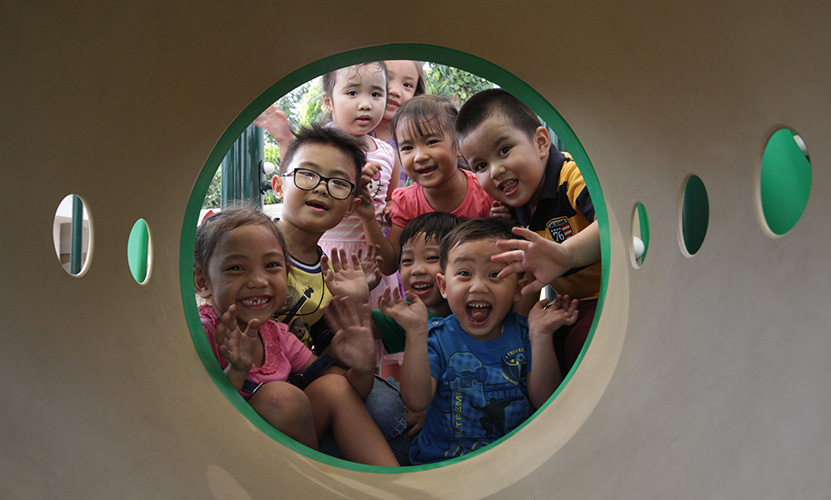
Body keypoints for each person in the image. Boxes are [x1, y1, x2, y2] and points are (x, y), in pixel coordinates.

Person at [193, 207, 398, 467]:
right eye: (236, 268)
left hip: (281, 452)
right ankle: (316, 481)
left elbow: (350, 391)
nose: (258, 280)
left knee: (334, 385)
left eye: (271, 265)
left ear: (287, 273)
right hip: (229, 456)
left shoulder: (274, 333)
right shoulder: (202, 332)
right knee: (281, 398)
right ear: (203, 282)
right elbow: (199, 417)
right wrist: (237, 370)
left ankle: (392, 480)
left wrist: (363, 367)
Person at [380, 218, 579, 465]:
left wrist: (541, 336)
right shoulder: (435, 337)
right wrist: (415, 333)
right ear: (444, 285)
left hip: (515, 460)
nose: (478, 286)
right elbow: (416, 400)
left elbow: (546, 401)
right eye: (464, 273)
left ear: (519, 288)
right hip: (444, 461)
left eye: (495, 274)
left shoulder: (527, 333)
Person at [270, 125, 412, 464]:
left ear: (351, 206)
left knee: (389, 407)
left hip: (304, 397)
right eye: (307, 174)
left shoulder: (326, 277)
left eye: (338, 182)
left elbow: (341, 380)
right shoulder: (250, 250)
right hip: (254, 396)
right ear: (278, 185)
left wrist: (357, 305)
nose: (321, 187)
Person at [456, 88, 602, 374]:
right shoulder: (518, 207)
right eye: (481, 165)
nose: (495, 171)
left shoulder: (572, 176)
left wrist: (567, 255)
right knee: (538, 349)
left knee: (580, 345)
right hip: (571, 303)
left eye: (504, 150)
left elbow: (614, 228)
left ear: (541, 143)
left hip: (609, 295)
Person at [363, 95, 495, 275]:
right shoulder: (407, 203)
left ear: (458, 146)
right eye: (407, 148)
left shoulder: (486, 191)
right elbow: (390, 264)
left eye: (431, 142)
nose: (419, 156)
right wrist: (368, 218)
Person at [317, 61, 400, 310]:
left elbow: (391, 198)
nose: (365, 104)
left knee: (376, 322)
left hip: (373, 257)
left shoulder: (388, 153)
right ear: (328, 102)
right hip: (331, 257)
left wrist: (389, 207)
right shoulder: (320, 148)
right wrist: (351, 183)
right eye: (353, 92)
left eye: (376, 94)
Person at [370, 60, 427, 190]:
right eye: (387, 78)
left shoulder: (411, 143)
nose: (395, 91)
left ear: (415, 95)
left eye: (407, 85)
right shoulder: (339, 131)